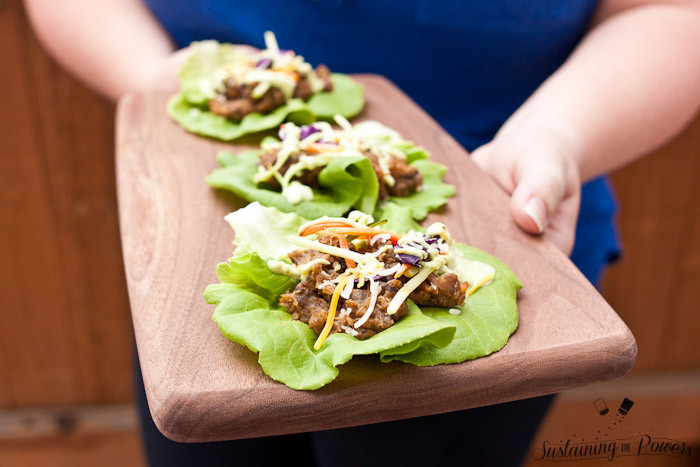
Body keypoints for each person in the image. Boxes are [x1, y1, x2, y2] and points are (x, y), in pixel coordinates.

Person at [25, 0, 700, 465]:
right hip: (193, 224)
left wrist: (554, 136)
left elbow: (670, 13)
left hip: (504, 202)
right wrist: (157, 80)